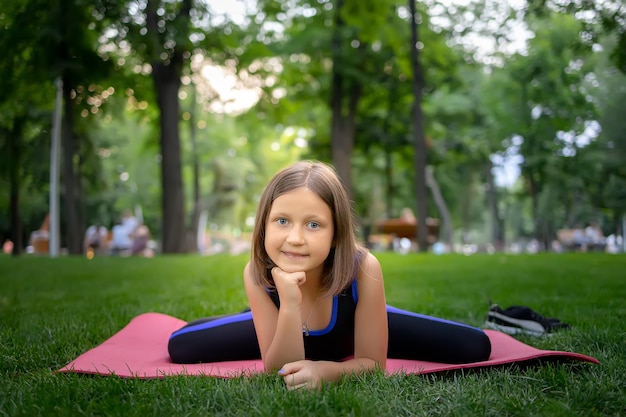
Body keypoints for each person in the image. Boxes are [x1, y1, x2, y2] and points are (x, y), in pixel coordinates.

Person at [168, 161, 491, 390]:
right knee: (181, 345)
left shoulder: (363, 268)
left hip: (353, 324)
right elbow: (278, 370)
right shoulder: (257, 273)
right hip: (284, 325)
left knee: (473, 346)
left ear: (336, 233)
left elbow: (372, 366)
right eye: (282, 221)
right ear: (263, 224)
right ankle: (254, 318)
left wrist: (326, 371)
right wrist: (289, 304)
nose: (295, 238)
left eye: (313, 224)